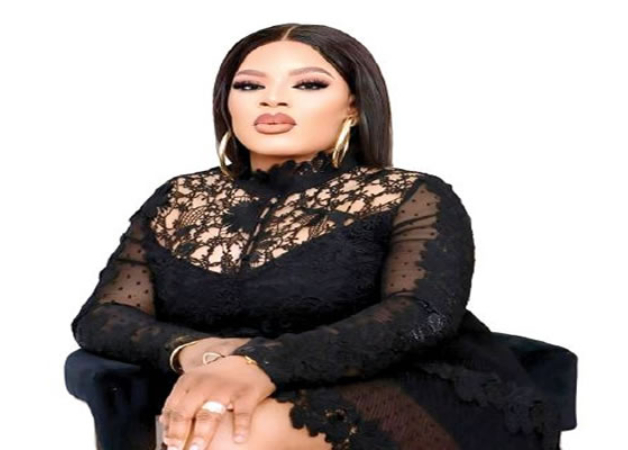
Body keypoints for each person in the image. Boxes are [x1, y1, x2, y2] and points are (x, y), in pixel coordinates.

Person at [71, 23, 562, 450]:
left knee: (222, 433)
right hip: (224, 387)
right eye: (248, 85)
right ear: (227, 104)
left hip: (395, 384)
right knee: (208, 421)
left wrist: (260, 363)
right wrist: (199, 351)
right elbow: (103, 316)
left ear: (353, 105)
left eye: (308, 84)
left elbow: (421, 316)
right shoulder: (179, 198)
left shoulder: (407, 194)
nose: (272, 99)